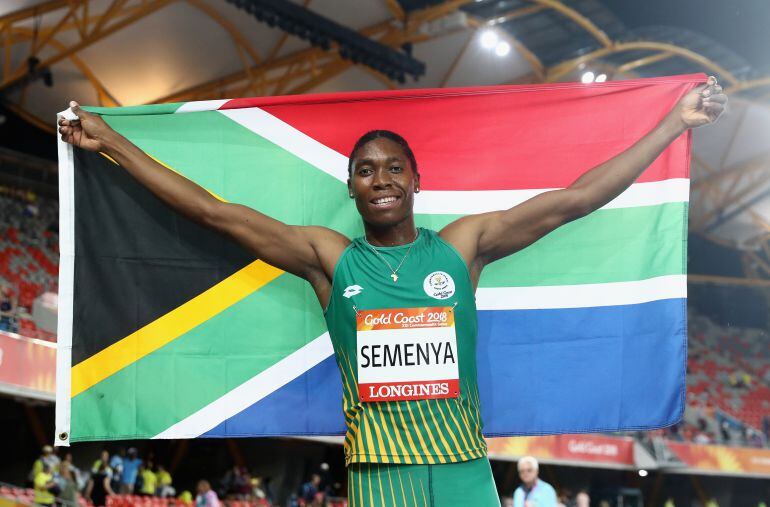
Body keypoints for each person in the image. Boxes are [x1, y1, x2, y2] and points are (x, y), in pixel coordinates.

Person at [58, 76, 726, 506]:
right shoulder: (329, 258)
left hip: (464, 471)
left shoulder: (461, 247)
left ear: (415, 179)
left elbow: (575, 199)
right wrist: (112, 140)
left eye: (393, 167)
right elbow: (214, 212)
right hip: (381, 478)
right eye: (365, 170)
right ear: (351, 186)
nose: (380, 178)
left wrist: (674, 125)